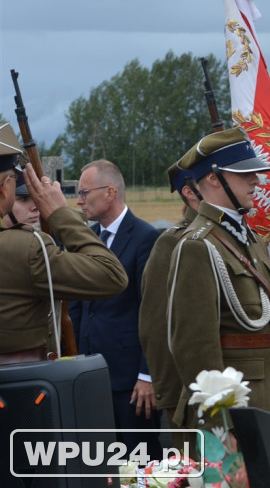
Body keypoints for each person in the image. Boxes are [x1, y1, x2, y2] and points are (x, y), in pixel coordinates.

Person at [166, 128, 270, 432]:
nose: (256, 181)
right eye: (244, 174)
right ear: (213, 178)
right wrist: (221, 425)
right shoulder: (198, 246)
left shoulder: (247, 238)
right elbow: (194, 348)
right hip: (236, 412)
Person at [0, 122, 128, 361]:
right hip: (18, 387)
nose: (34, 205)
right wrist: (60, 213)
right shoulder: (26, 248)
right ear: (5, 188)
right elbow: (111, 275)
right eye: (22, 195)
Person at [69, 159, 162, 457]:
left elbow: (154, 310)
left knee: (140, 461)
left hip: (131, 381)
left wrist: (147, 376)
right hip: (92, 375)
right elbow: (80, 305)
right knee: (101, 464)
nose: (79, 200)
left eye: (84, 193)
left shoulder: (146, 238)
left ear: (110, 192)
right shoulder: (89, 239)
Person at [138, 161, 201, 445]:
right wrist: (173, 398)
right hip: (190, 397)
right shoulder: (172, 243)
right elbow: (156, 324)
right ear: (190, 192)